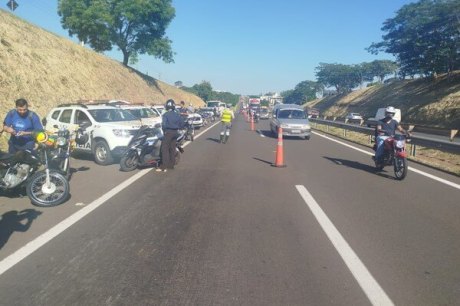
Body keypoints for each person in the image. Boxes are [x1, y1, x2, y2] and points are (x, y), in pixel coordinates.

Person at [157, 99, 185, 172]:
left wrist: (165, 131)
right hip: (175, 133)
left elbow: (164, 125)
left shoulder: (165, 115)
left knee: (164, 149)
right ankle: (171, 165)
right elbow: (182, 124)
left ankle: (164, 166)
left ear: (166, 106)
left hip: (168, 133)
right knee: (172, 148)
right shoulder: (177, 114)